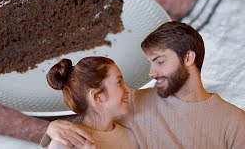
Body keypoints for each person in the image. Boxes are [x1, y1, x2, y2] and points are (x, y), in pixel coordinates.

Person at [42, 21, 245, 148]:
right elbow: (92, 115)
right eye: (150, 63)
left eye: (160, 61)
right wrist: (53, 128)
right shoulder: (135, 102)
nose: (152, 73)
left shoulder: (234, 123)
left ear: (188, 58)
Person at [45, 57, 138, 149]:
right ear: (97, 96)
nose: (128, 90)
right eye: (119, 82)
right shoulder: (65, 142)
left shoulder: (130, 136)